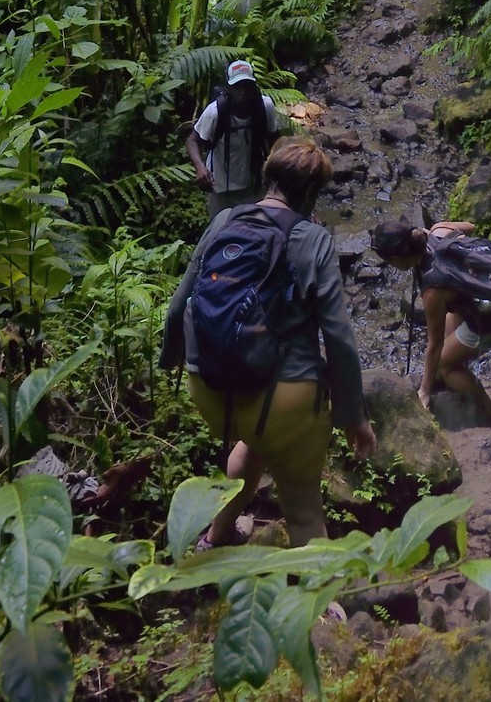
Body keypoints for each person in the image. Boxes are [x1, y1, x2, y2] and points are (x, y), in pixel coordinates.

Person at [162, 136, 377, 548]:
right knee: (303, 509)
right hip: (283, 402)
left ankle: (215, 539)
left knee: (253, 443)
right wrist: (353, 414)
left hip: (209, 389)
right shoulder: (314, 239)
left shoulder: (224, 220)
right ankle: (318, 587)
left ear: (267, 176)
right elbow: (338, 336)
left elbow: (177, 307)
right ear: (310, 193)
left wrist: (175, 363)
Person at [370, 216, 491, 426]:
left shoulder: (433, 290)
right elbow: (470, 226)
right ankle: (452, 373)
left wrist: (424, 390)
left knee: (442, 365)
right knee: (447, 324)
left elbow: (435, 344)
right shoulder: (438, 231)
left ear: (396, 259)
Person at [187, 59, 280, 217]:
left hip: (255, 187)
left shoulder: (265, 107)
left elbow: (275, 140)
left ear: (254, 86)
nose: (243, 92)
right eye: (238, 87)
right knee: (222, 229)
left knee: (256, 229)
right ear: (228, 88)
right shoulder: (215, 112)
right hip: (221, 190)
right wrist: (200, 168)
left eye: (247, 86)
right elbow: (193, 141)